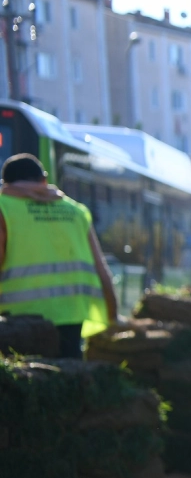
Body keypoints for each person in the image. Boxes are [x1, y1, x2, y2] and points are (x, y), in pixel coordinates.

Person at [0, 153, 119, 358]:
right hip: (71, 315)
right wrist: (113, 315)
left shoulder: (4, 207)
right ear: (44, 180)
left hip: (18, 322)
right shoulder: (77, 212)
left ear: (6, 182)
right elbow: (101, 269)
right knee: (68, 373)